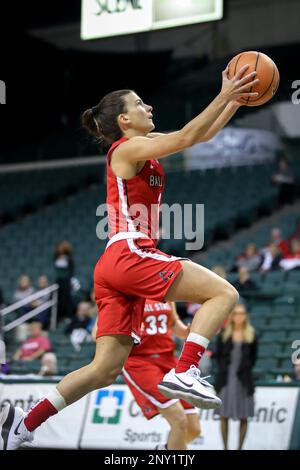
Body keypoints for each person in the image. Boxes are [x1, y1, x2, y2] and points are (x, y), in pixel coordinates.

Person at [0, 64, 259, 449]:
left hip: (116, 264)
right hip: (129, 251)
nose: (149, 106)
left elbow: (201, 135)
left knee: (104, 370)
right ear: (123, 119)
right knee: (224, 294)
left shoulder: (144, 147)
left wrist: (233, 102)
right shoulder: (127, 147)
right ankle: (186, 370)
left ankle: (22, 423)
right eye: (139, 103)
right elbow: (189, 135)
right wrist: (225, 92)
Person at [122, 300, 201, 450]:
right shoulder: (127, 291)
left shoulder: (165, 290)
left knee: (193, 429)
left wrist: (188, 331)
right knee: (179, 420)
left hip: (168, 358)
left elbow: (173, 323)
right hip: (141, 362)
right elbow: (96, 333)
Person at [214, 303, 257, 450]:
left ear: (246, 316)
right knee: (223, 415)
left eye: (242, 313)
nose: (239, 316)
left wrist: (244, 368)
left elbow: (253, 358)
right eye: (236, 313)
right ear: (232, 316)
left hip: (244, 380)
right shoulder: (224, 335)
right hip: (225, 380)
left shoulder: (251, 335)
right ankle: (225, 448)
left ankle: (239, 448)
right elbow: (218, 357)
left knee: (244, 415)